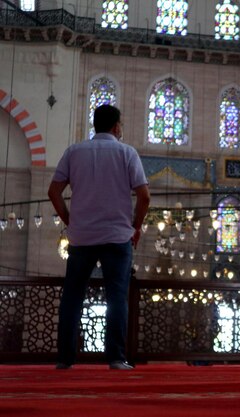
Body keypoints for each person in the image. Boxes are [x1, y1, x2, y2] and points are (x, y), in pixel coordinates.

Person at [48, 104, 150, 370]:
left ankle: (65, 359)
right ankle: (116, 358)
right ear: (117, 126)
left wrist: (71, 221)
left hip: (81, 238)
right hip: (117, 238)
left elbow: (54, 192)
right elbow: (144, 196)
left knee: (72, 297)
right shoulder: (127, 153)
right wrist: (136, 226)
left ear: (95, 125)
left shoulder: (74, 152)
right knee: (117, 297)